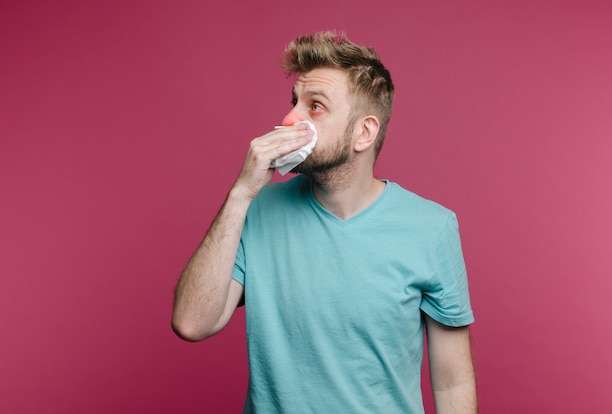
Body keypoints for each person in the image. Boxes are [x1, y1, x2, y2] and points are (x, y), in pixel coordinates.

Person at [172, 31, 477, 413]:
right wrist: (240, 195)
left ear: (363, 132)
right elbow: (191, 324)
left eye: (314, 107)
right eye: (294, 101)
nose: (289, 118)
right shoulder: (257, 209)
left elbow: (453, 383)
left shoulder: (432, 228)